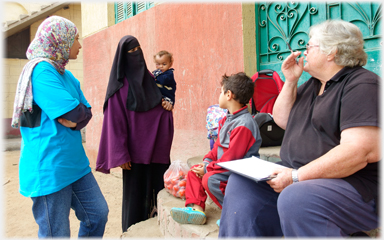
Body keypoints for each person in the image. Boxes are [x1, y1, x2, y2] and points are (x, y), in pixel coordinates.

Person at [219, 19, 379, 237]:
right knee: (241, 183)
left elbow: (359, 152)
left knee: (295, 197)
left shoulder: (362, 85)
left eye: (309, 46)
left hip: (351, 185)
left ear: (331, 52)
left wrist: (296, 177)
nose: (303, 52)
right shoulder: (312, 84)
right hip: (298, 172)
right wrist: (291, 80)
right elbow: (282, 119)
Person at [11, 16, 109, 238]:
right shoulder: (42, 71)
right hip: (49, 166)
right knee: (56, 232)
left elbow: (86, 113)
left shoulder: (66, 74)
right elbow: (74, 113)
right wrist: (77, 117)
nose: (80, 45)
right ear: (60, 41)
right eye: (75, 39)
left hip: (74, 164)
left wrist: (76, 118)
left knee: (97, 214)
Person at [95, 35, 174, 232]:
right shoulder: (118, 89)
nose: (135, 55)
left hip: (156, 150)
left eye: (138, 49)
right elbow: (115, 124)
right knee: (135, 197)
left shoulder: (150, 79)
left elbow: (162, 106)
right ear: (122, 57)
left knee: (160, 194)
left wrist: (168, 105)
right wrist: (120, 154)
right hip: (134, 155)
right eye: (131, 52)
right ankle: (132, 233)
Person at [170, 72, 262, 225]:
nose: (219, 95)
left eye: (221, 92)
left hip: (239, 172)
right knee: (194, 171)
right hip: (224, 167)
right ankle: (197, 209)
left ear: (228, 95)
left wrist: (208, 169)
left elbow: (232, 159)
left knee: (209, 179)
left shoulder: (244, 125)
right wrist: (206, 162)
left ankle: (234, 213)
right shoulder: (227, 119)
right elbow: (217, 148)